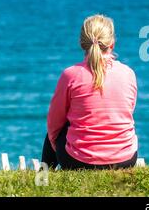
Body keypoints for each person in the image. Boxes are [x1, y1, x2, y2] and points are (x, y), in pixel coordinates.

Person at [41, 14, 138, 169]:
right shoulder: (128, 73)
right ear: (112, 44)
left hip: (80, 161)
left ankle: (43, 177)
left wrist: (56, 147)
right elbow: (128, 112)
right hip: (125, 159)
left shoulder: (70, 74)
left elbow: (54, 122)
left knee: (57, 128)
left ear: (81, 43)